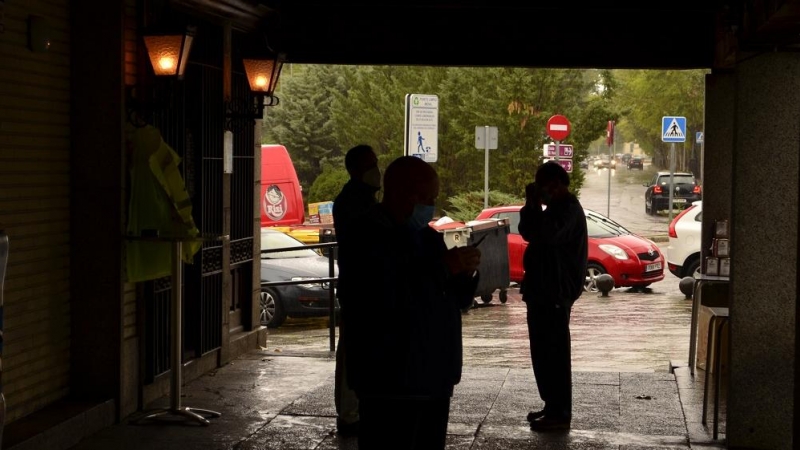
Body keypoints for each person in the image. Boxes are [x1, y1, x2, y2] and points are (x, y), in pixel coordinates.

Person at [341, 156, 481, 449]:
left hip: (433, 376)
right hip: (390, 378)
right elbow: (380, 297)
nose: (430, 204)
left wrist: (464, 273)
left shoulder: (426, 236)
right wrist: (444, 267)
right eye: (426, 197)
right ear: (402, 192)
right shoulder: (367, 235)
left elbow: (453, 297)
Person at [518, 161, 588, 432]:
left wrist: (534, 205)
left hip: (555, 292)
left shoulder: (568, 210)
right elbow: (527, 230)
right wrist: (532, 204)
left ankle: (560, 412)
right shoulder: (554, 209)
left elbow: (543, 234)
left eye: (543, 187)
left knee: (555, 353)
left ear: (556, 185)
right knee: (541, 351)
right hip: (541, 289)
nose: (540, 193)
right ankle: (551, 404)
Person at [331, 144, 381, 437]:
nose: (376, 170)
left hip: (360, 285)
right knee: (352, 352)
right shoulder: (354, 202)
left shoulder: (362, 198)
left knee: (358, 350)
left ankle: (357, 410)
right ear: (354, 169)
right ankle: (350, 414)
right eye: (369, 165)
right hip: (359, 287)